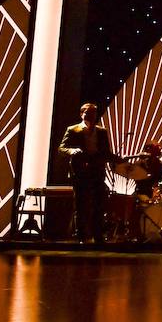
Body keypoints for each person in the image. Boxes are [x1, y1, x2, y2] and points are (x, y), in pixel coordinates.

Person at [57, 102, 121, 244]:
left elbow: (105, 152)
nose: (92, 116)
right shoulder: (73, 130)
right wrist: (73, 151)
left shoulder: (102, 131)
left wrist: (117, 160)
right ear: (82, 114)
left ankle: (98, 236)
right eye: (88, 113)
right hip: (80, 172)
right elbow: (62, 148)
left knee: (99, 204)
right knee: (81, 205)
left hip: (97, 171)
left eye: (94, 113)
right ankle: (81, 236)